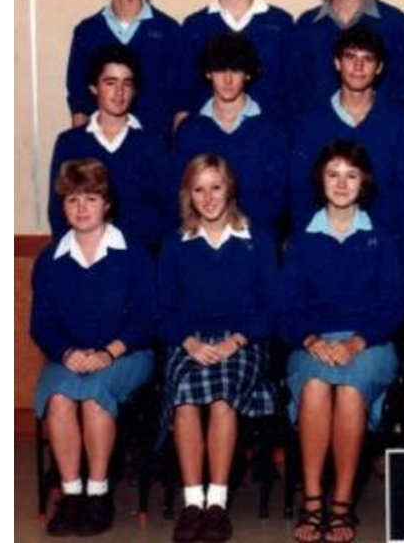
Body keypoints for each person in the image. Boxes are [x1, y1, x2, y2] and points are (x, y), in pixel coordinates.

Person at [281, 141, 403, 543]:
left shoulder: (382, 237)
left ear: (363, 181)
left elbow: (392, 307)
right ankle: (313, 502)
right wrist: (311, 339)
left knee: (350, 390)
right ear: (320, 180)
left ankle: (342, 505)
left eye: (351, 175)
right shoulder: (302, 239)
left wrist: (355, 343)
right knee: (315, 387)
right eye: (333, 174)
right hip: (312, 343)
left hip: (368, 344)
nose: (341, 183)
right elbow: (288, 307)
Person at [156, 154, 280, 543]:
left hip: (242, 341)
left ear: (230, 189)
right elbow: (162, 309)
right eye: (198, 189)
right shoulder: (176, 244)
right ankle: (193, 502)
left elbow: (273, 306)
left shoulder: (256, 240)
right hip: (190, 341)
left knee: (223, 396)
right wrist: (189, 342)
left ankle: (217, 504)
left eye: (215, 187)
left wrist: (236, 340)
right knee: (186, 397)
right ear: (188, 196)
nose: (208, 198)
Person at [31, 159, 156, 537]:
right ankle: (72, 496)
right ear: (63, 207)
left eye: (90, 198)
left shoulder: (132, 252)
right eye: (72, 200)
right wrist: (68, 353)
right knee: (59, 397)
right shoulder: (50, 261)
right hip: (69, 355)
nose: (82, 208)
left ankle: (98, 494)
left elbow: (148, 316)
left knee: (95, 396)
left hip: (126, 354)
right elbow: (42, 324)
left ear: (106, 204)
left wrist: (109, 352)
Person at [289, 25, 404, 232]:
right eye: (350, 57)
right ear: (337, 63)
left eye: (367, 59)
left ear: (379, 67)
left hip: (381, 239)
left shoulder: (398, 122)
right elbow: (300, 192)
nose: (358, 67)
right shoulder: (310, 121)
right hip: (322, 236)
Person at [49, 44, 171, 252]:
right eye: (110, 83)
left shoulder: (153, 144)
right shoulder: (70, 143)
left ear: (134, 90)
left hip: (142, 261)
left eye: (127, 84)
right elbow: (57, 211)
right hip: (88, 259)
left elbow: (169, 211)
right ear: (94, 87)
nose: (119, 92)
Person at [66, 0, 186, 140]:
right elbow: (80, 103)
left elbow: (180, 104)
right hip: (101, 152)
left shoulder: (169, 31)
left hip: (154, 152)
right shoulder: (87, 32)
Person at [173, 32, 289, 240]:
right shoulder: (190, 130)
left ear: (247, 74)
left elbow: (277, 199)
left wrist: (239, 233)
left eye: (235, 70)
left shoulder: (272, 130)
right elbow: (181, 194)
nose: (227, 80)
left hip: (255, 240)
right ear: (208, 73)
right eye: (219, 70)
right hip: (202, 239)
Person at [182, 0, 294, 121]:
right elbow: (187, 96)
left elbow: (292, 91)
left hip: (268, 137)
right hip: (211, 137)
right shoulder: (194, 27)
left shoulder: (280, 23)